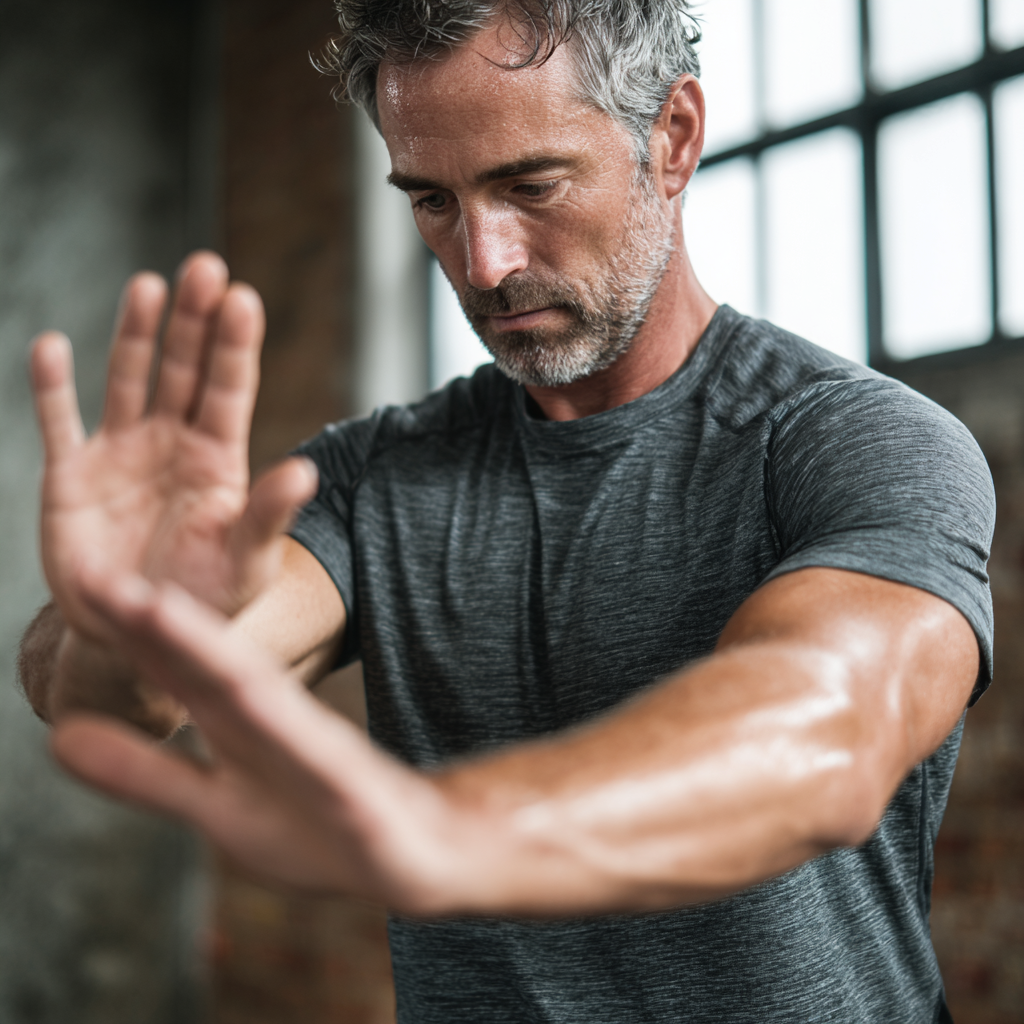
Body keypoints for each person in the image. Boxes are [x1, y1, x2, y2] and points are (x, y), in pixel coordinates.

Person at [18, 2, 995, 1021]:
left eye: (530, 184)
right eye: (431, 200)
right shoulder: (374, 476)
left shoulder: (857, 440)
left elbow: (827, 733)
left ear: (671, 139)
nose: (482, 263)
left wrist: (451, 832)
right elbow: (117, 703)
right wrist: (126, 621)